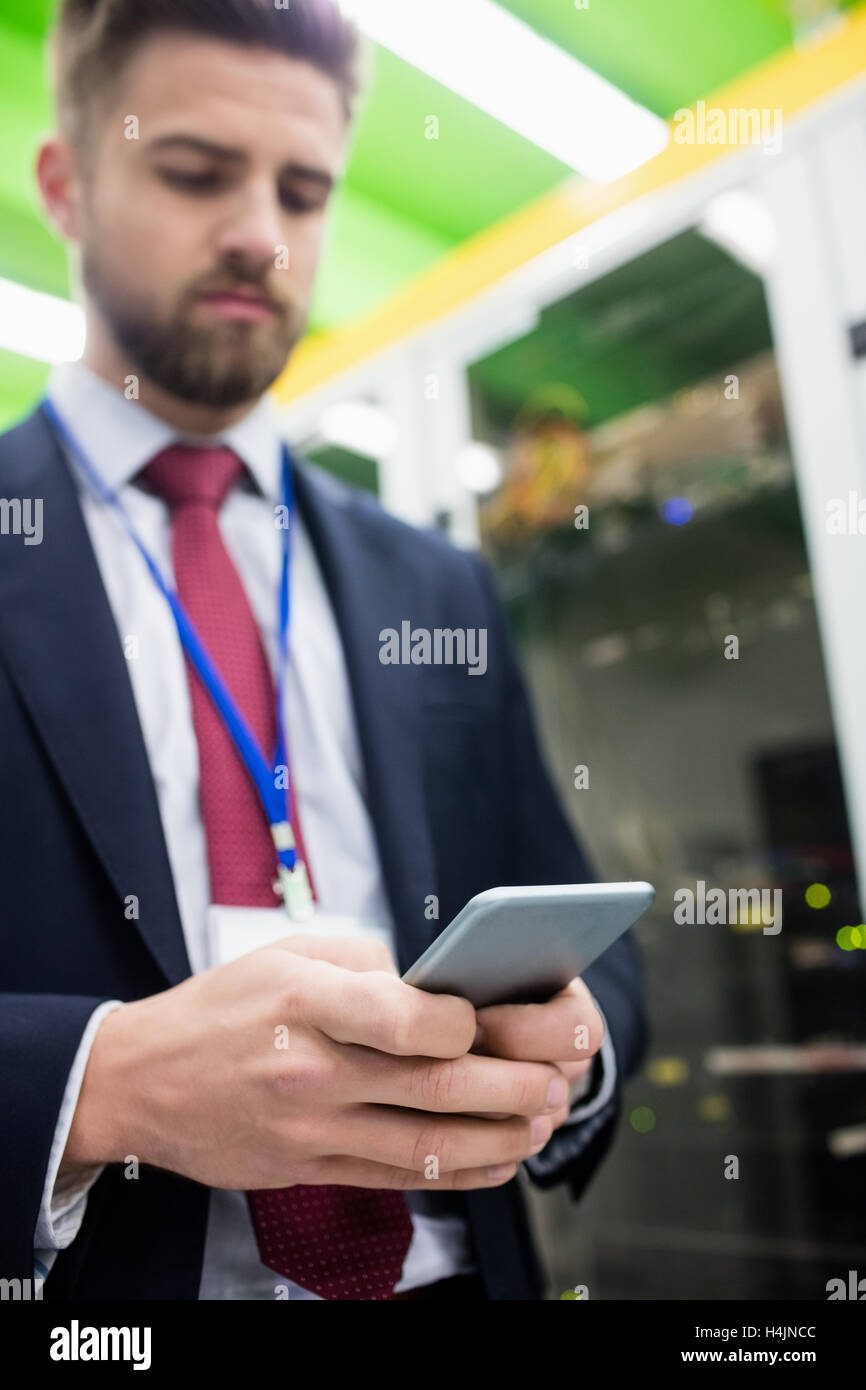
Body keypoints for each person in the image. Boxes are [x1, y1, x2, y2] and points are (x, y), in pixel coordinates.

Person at [0, 0, 647, 1301]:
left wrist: (573, 1042)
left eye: (303, 190)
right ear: (64, 186)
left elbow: (595, 944)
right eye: (194, 172)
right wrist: (102, 1086)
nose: (258, 231)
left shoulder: (437, 580)